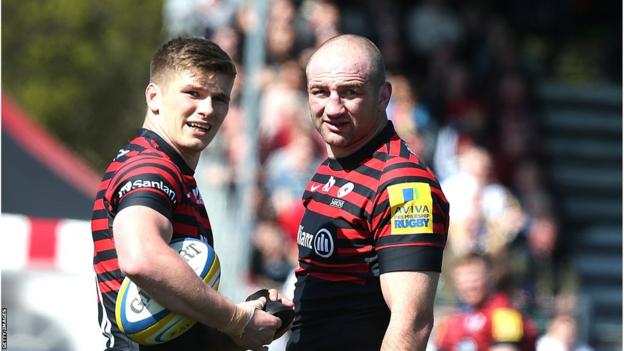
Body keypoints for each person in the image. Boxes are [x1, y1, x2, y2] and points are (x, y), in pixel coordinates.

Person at [91, 37, 290, 351]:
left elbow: (171, 321)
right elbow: (141, 258)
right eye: (193, 94)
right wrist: (237, 320)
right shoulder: (150, 168)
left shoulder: (172, 170)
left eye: (220, 98)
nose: (207, 110)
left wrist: (244, 324)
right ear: (154, 97)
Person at [286, 34, 450, 351]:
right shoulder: (332, 167)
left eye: (350, 92)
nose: (332, 108)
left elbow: (411, 324)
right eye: (320, 92)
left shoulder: (405, 186)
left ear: (383, 96)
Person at [435, 252, 538, 351]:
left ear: (490, 276)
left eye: (474, 278)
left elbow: (506, 348)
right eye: (463, 279)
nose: (469, 286)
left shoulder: (505, 313)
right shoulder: (453, 321)